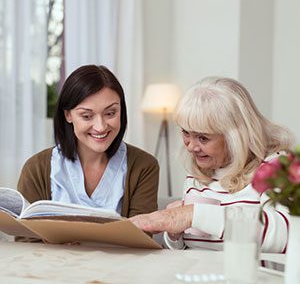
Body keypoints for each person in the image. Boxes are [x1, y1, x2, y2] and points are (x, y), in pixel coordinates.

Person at [130, 76, 293, 252]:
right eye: (186, 133)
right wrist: (174, 234)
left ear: (235, 137)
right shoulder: (199, 171)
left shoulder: (275, 167)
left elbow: (286, 236)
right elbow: (185, 248)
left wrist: (193, 215)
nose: (191, 147)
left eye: (203, 138)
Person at [18, 65, 159, 221]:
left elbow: (141, 236)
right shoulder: (36, 169)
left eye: (110, 113)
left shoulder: (144, 166)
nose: (100, 127)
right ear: (68, 115)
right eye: (86, 116)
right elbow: (26, 238)